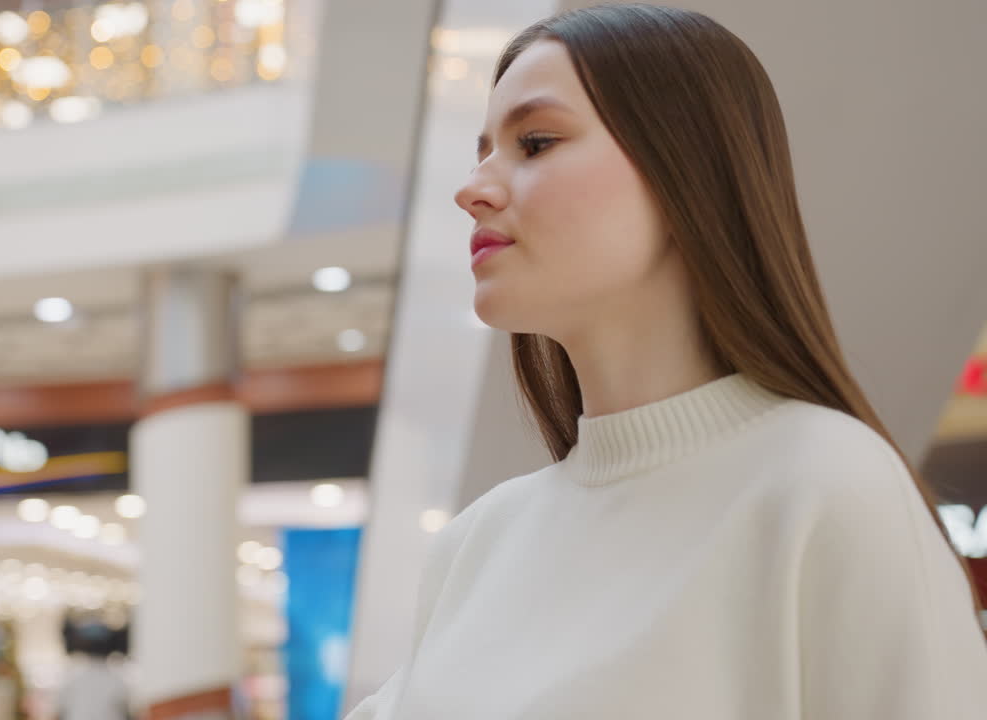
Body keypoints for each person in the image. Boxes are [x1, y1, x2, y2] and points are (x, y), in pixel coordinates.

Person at [343, 4, 987, 719]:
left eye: (535, 141)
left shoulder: (826, 488)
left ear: (686, 167)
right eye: (482, 151)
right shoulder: (479, 542)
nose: (474, 190)